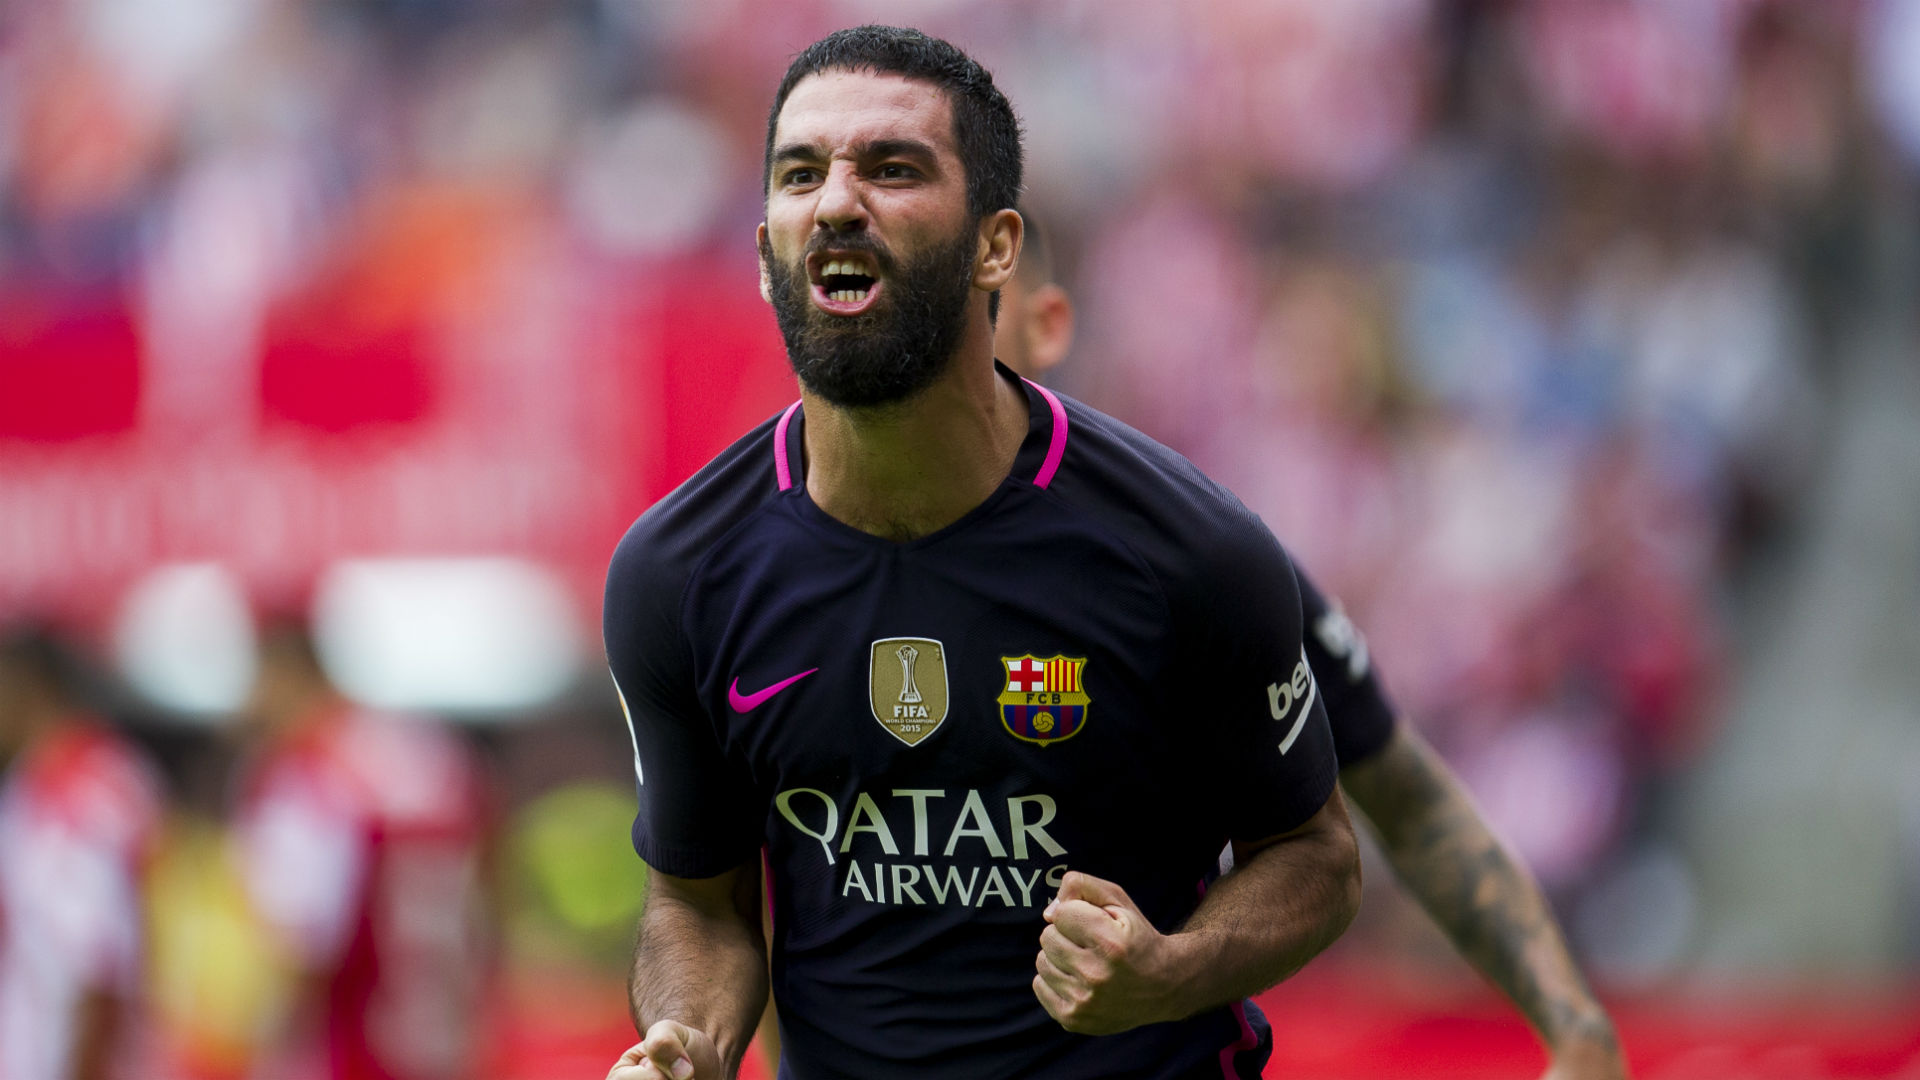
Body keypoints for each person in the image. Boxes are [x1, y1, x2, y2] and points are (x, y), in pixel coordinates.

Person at [604, 25, 1361, 1080]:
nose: (836, 202)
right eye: (801, 174)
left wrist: (1172, 968)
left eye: (892, 168)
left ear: (996, 246)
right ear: (768, 247)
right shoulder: (678, 574)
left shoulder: (1190, 552)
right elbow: (697, 903)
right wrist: (690, 1041)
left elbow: (1316, 858)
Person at [997, 213, 1629, 1080]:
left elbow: (1404, 800)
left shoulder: (1183, 549)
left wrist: (1574, 1027)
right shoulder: (814, 554)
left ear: (1047, 323)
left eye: (979, 302)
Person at [231, 621, 489, 1080]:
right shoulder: (429, 751)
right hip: (441, 1049)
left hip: (354, 1052)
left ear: (286, 675)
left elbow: (303, 944)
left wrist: (267, 1050)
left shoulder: (307, 772)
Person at [0, 624, 163, 1080]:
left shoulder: (61, 790)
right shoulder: (115, 766)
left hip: (54, 1056)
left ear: (28, 690)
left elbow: (94, 962)